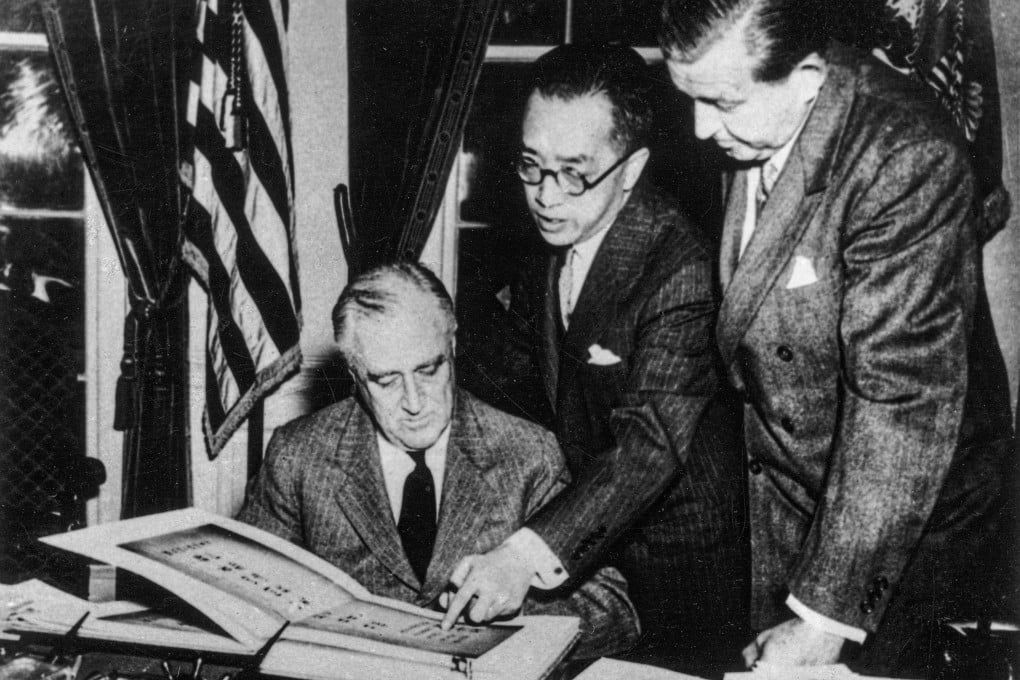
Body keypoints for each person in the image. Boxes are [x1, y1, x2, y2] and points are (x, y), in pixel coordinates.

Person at [657, 0, 1016, 675]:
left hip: (904, 543)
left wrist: (829, 617)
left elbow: (900, 403)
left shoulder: (906, 158)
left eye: (722, 102)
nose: (701, 129)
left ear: (808, 75)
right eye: (691, 99)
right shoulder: (752, 118)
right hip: (794, 505)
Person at [446, 44, 748, 672]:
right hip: (594, 561)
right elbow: (506, 382)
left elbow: (648, 447)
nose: (546, 196)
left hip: (682, 589)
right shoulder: (553, 248)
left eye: (574, 172)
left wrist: (521, 557)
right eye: (531, 165)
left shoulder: (680, 268)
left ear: (631, 168)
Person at [237, 261, 640, 659]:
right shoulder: (299, 456)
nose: (414, 402)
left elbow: (614, 611)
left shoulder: (528, 454)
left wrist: (515, 605)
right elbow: (242, 600)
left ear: (453, 346)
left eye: (428, 370)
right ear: (354, 374)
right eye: (386, 380)